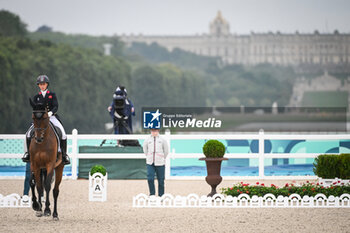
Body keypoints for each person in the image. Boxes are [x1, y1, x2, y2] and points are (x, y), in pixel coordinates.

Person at [22, 75, 70, 165]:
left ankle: (64, 155)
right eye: (40, 84)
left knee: (63, 134)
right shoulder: (36, 97)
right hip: (40, 119)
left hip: (51, 117)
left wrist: (50, 113)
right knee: (28, 134)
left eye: (43, 84)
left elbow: (56, 106)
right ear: (38, 86)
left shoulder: (52, 95)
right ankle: (28, 153)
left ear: (47, 84)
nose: (42, 86)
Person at [142, 128, 169, 196]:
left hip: (160, 162)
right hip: (150, 162)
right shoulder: (147, 140)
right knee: (150, 178)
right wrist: (149, 156)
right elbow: (145, 149)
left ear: (158, 131)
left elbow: (166, 151)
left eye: (155, 130)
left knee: (161, 181)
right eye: (153, 131)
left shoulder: (163, 140)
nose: (154, 132)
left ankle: (161, 195)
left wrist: (162, 157)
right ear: (151, 131)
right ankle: (152, 194)